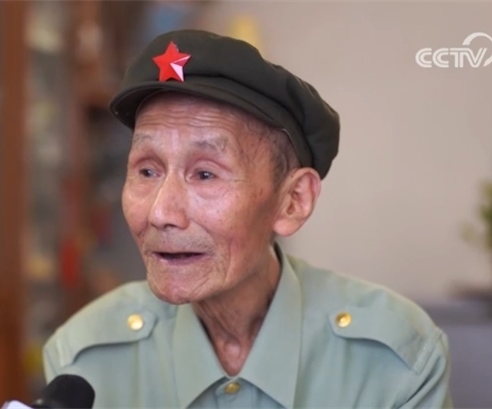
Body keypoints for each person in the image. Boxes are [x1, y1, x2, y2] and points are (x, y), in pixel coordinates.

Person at [43, 29, 452, 408]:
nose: (161, 213)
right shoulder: (84, 357)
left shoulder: (395, 362)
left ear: (292, 201)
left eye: (205, 174)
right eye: (147, 171)